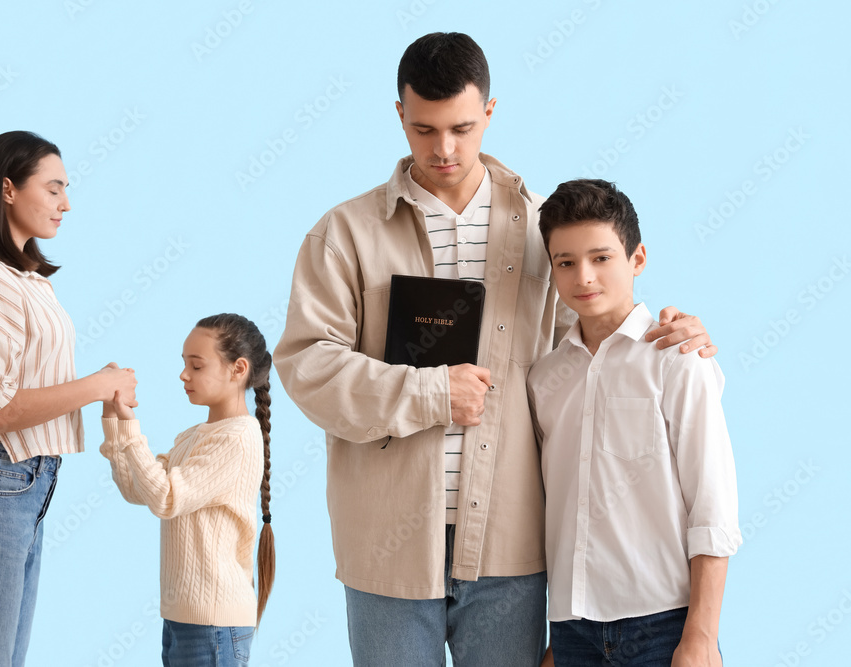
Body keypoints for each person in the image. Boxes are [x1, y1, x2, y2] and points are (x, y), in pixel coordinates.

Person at [273, 32, 718, 666]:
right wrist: (429, 392)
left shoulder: (543, 227)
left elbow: (593, 336)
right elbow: (307, 365)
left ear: (491, 111)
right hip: (386, 551)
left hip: (511, 543)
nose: (444, 149)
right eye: (423, 129)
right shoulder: (344, 233)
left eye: (461, 126)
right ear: (398, 113)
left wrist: (671, 331)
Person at [0, 130, 138, 666]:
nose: (67, 203)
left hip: (19, 487)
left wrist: (101, 381)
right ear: (8, 189)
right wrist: (96, 386)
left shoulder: (25, 280)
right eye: (54, 188)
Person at [529, 179, 740, 666]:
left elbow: (713, 507)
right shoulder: (544, 379)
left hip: (663, 627)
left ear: (637, 259)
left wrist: (701, 638)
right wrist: (558, 640)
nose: (584, 277)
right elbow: (559, 508)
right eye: (566, 262)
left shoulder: (678, 359)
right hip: (570, 632)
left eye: (601, 258)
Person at [99, 313, 275, 667]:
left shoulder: (238, 438)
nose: (184, 375)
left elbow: (166, 498)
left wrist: (132, 432)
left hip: (213, 624)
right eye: (184, 364)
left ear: (238, 369)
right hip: (185, 617)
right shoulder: (194, 435)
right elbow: (138, 489)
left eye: (196, 366)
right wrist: (115, 422)